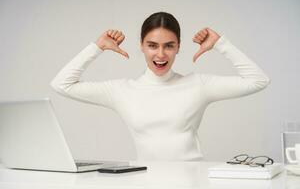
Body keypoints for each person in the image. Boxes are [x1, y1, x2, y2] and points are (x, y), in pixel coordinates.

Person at [51, 12, 270, 161]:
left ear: (178, 48)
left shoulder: (198, 85)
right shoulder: (122, 91)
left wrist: (221, 44)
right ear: (142, 46)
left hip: (193, 181)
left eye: (169, 46)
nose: (161, 54)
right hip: (147, 181)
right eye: (152, 46)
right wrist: (97, 47)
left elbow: (258, 80)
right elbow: (62, 84)